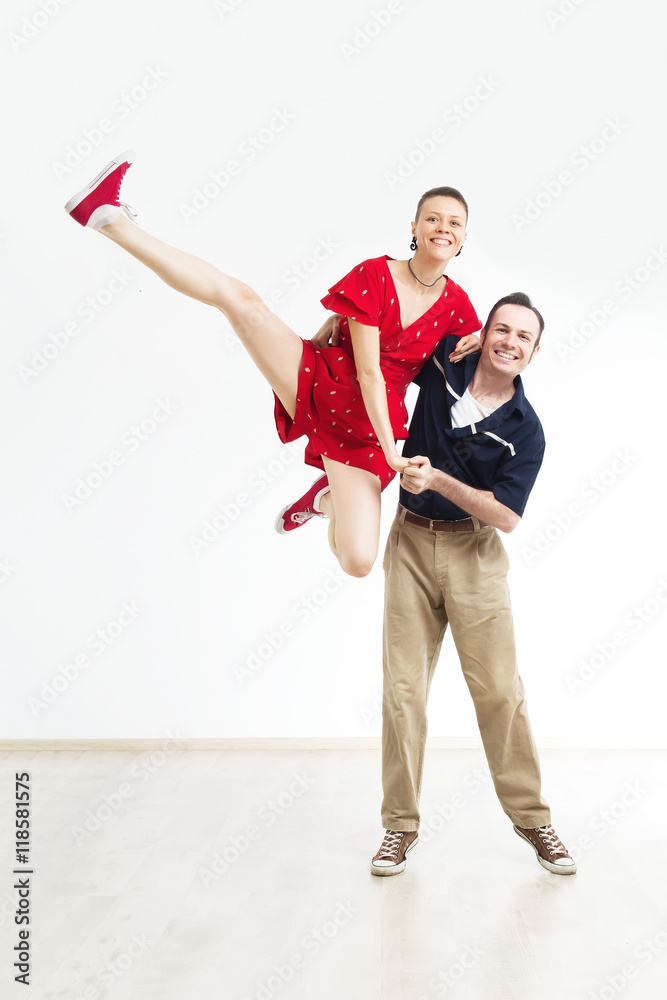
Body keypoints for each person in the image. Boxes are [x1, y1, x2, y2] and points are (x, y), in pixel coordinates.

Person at [64, 152, 481, 577]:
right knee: (241, 302)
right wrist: (394, 454)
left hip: (370, 427)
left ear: (464, 237)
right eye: (432, 218)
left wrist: (495, 335)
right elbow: (369, 369)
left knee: (357, 561)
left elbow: (477, 361)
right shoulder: (375, 272)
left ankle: (322, 499)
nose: (442, 228)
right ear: (414, 227)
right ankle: (109, 218)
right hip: (326, 380)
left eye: (453, 223)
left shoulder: (459, 306)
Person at [367, 292, 577, 877]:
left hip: (476, 555)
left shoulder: (526, 431)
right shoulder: (442, 363)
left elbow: (506, 517)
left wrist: (437, 477)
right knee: (402, 692)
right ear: (482, 334)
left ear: (533, 354)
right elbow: (387, 344)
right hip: (408, 542)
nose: (510, 342)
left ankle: (534, 820)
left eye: (523, 338)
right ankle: (397, 827)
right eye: (501, 330)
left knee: (499, 694)